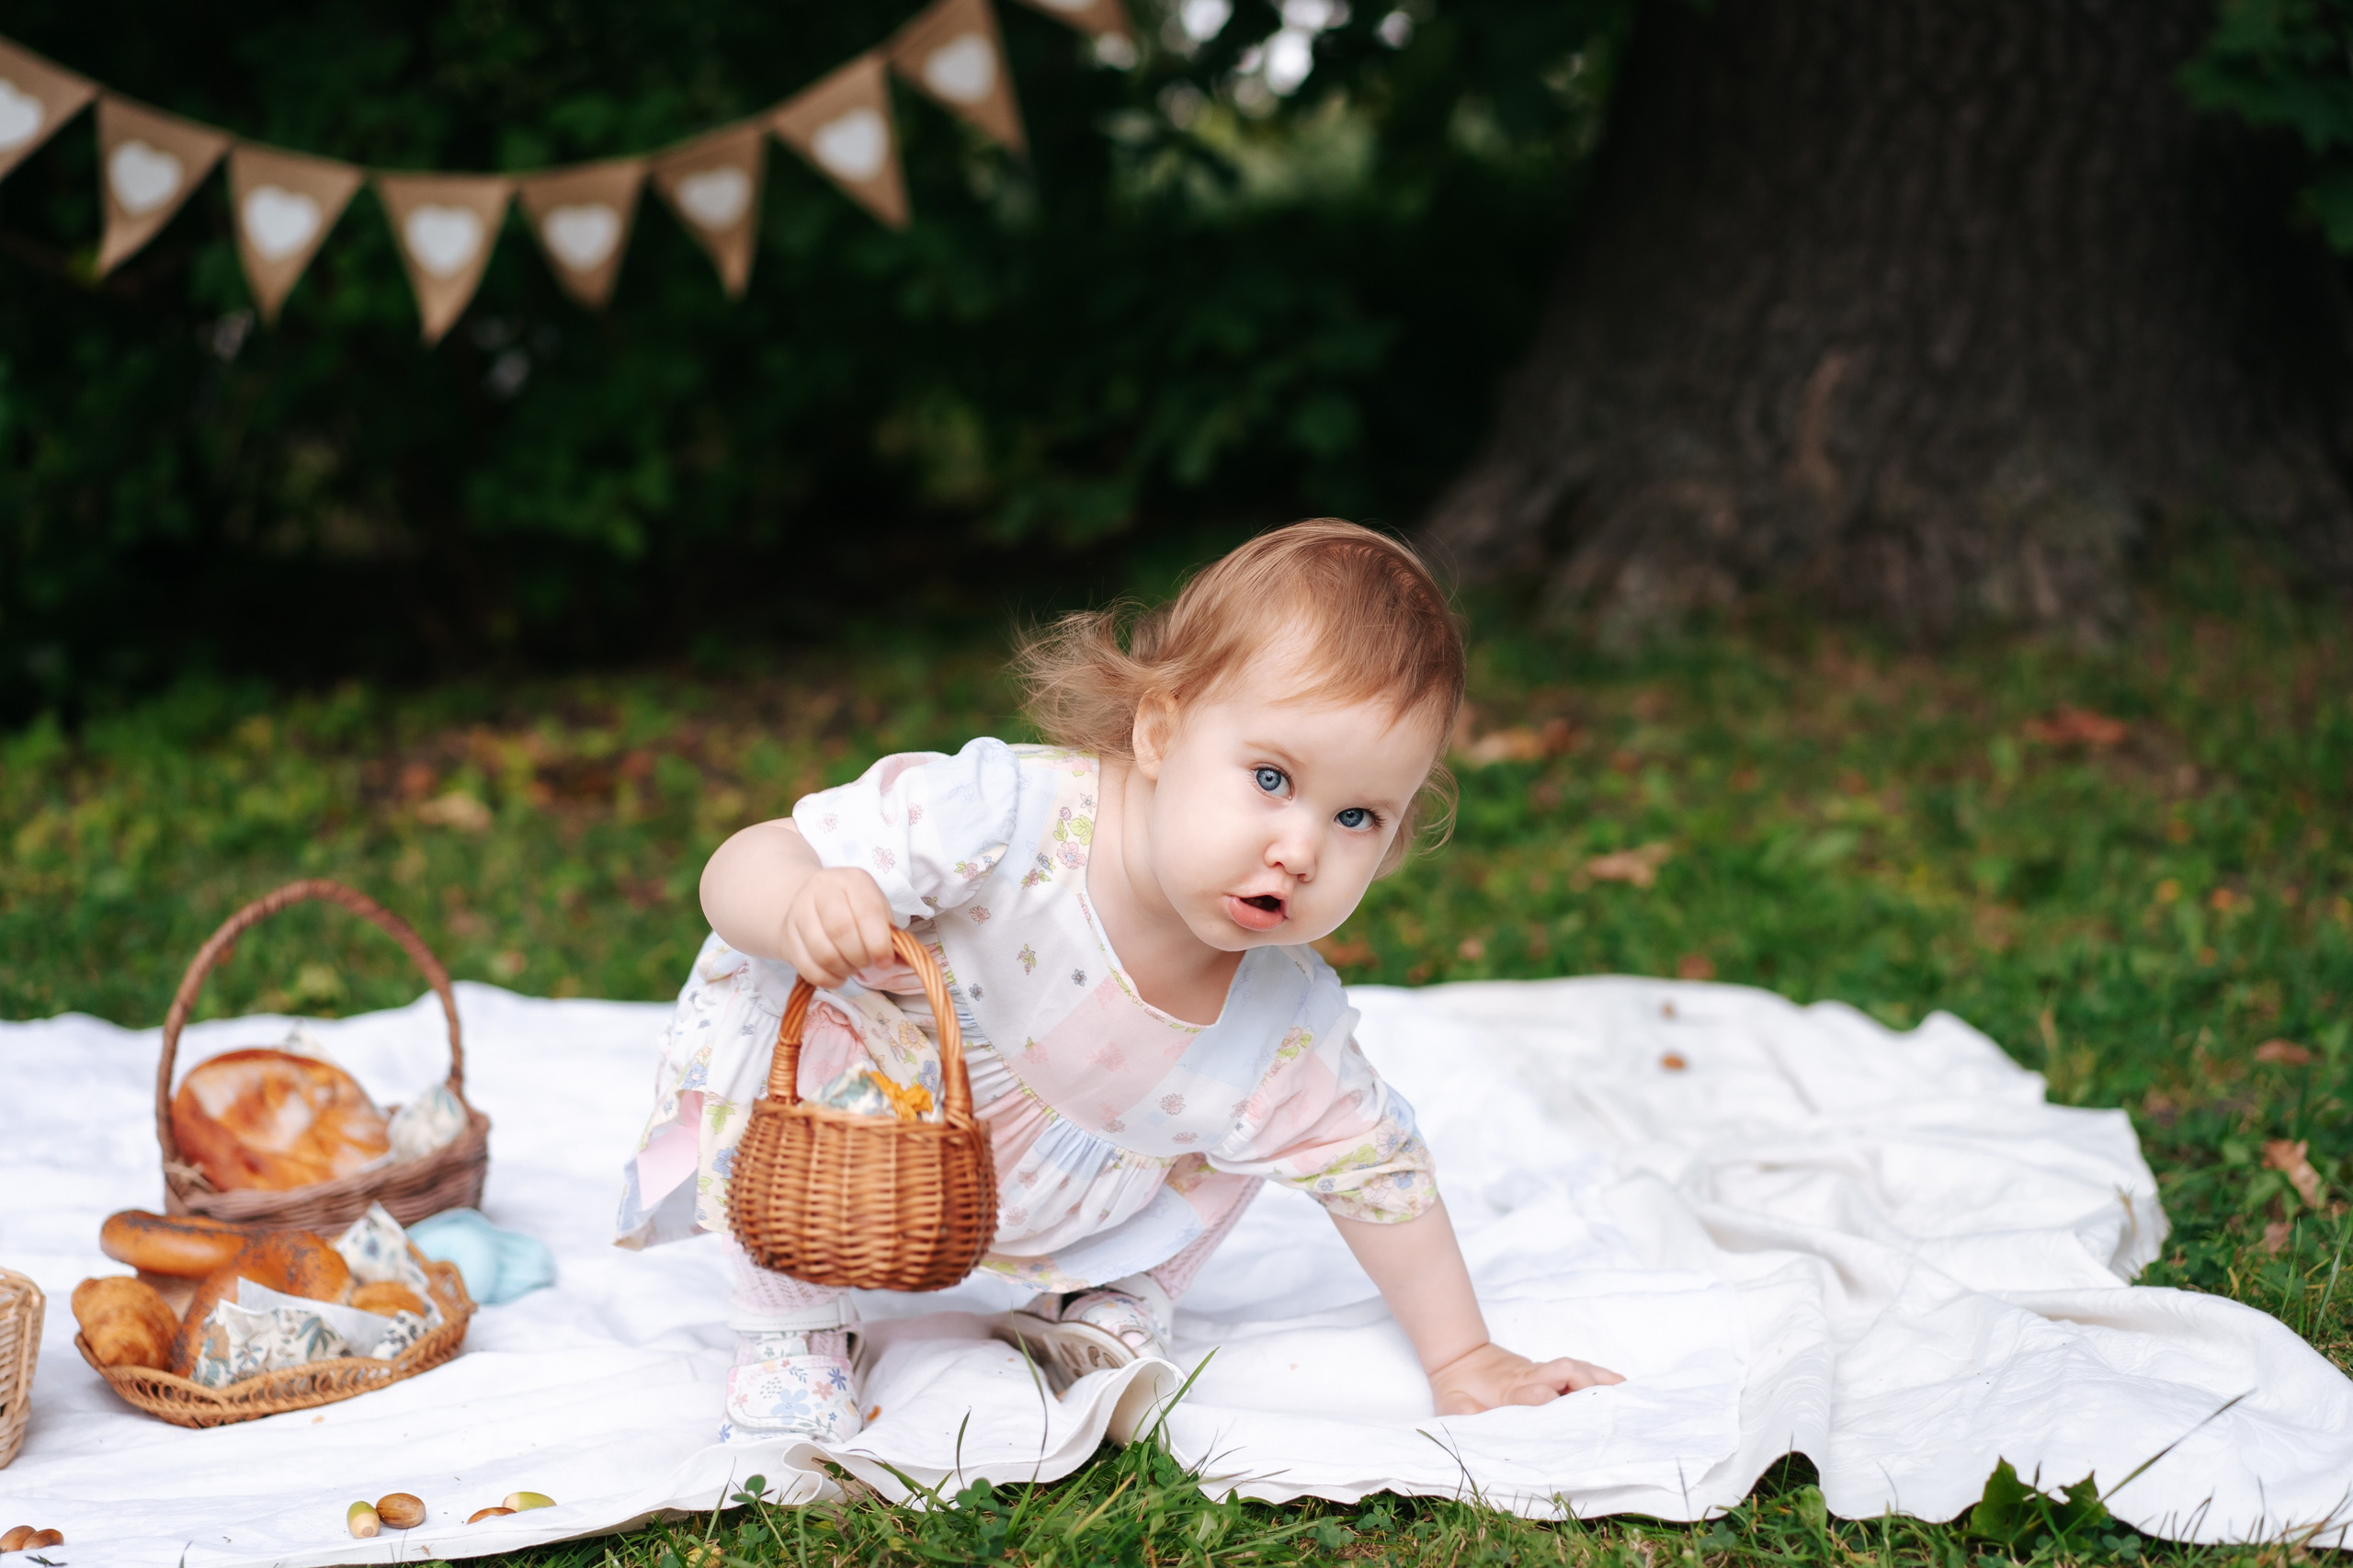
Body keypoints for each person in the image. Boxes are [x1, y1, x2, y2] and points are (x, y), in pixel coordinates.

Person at [615, 518, 1623, 1443]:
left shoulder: (1278, 1018)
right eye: (1271, 778)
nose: (1301, 848)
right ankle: (793, 1323)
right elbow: (746, 860)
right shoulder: (1005, 821)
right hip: (862, 1122)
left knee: (1262, 1115)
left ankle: (1110, 1294)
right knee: (788, 1001)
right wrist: (800, 898)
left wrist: (1462, 1355)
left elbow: (1380, 1174)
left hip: (1059, 1195)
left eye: (1357, 816)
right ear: (1159, 732)